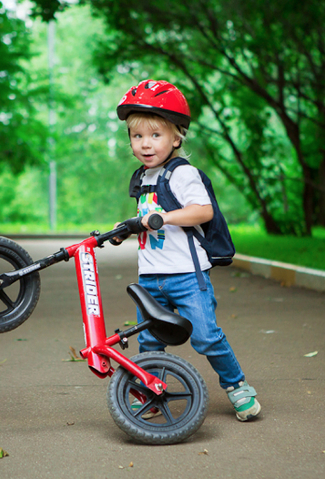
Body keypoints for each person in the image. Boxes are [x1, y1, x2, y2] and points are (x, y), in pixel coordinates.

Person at [114, 79, 261, 422]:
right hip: (150, 278)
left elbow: (202, 211)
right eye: (137, 136)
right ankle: (151, 392)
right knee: (150, 342)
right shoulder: (142, 178)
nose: (145, 144)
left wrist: (159, 219)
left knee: (206, 336)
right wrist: (125, 230)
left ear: (176, 137)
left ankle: (237, 385)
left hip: (186, 275)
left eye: (155, 135)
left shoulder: (182, 173)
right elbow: (145, 219)